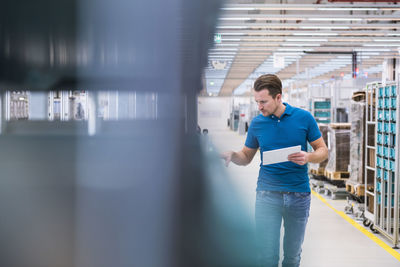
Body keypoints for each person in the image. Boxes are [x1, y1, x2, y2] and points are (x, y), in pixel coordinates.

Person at [221, 74, 328, 267]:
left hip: (298, 196)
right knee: (266, 257)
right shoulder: (257, 123)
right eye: (257, 102)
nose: (259, 107)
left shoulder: (304, 118)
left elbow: (323, 151)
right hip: (267, 195)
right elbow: (246, 157)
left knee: (292, 256)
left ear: (278, 97)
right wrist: (233, 155)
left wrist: (308, 157)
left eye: (263, 102)